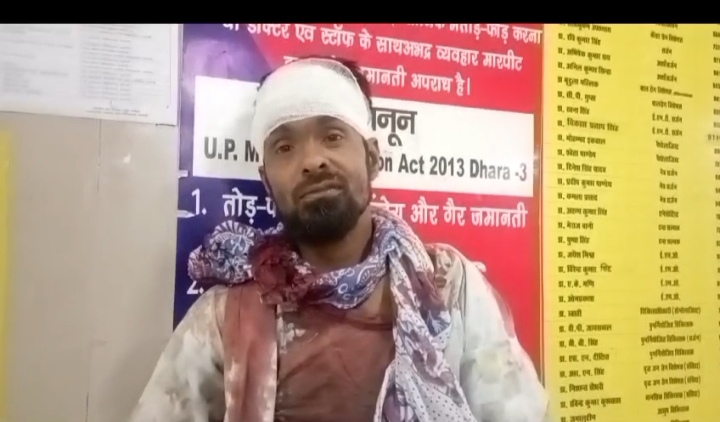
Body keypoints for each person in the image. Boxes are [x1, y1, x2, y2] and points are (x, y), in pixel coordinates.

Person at [129, 56, 550, 422]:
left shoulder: (448, 289)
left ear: (372, 157)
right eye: (284, 147)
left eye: (332, 136)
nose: (312, 161)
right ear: (266, 180)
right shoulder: (226, 318)